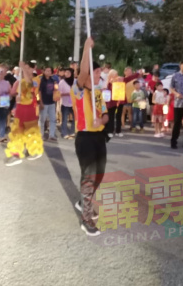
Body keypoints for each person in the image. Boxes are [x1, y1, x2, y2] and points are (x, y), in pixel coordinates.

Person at [72, 38, 109, 236]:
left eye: (99, 73)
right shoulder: (77, 91)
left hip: (98, 138)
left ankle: (82, 201)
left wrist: (101, 122)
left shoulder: (98, 94)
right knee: (89, 176)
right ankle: (86, 220)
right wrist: (86, 49)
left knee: (99, 175)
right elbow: (83, 72)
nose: (98, 75)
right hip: (84, 138)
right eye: (96, 72)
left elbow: (105, 115)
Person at [4, 61, 44, 166]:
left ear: (32, 69)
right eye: (22, 68)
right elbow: (17, 93)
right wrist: (17, 96)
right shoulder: (19, 81)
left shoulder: (36, 79)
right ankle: (16, 154)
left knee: (31, 130)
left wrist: (23, 68)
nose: (24, 70)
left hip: (30, 107)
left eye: (27, 68)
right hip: (20, 108)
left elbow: (30, 84)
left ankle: (34, 151)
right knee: (17, 131)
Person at [39, 66, 58, 142]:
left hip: (52, 102)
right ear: (44, 71)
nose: (48, 72)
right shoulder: (41, 80)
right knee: (42, 119)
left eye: (50, 71)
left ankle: (51, 135)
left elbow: (55, 89)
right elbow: (39, 92)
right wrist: (40, 102)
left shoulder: (53, 80)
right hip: (44, 102)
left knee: (53, 119)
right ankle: (41, 135)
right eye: (47, 71)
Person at [106, 69, 124, 138]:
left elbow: (122, 89)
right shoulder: (108, 83)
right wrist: (110, 84)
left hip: (119, 101)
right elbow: (107, 92)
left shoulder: (119, 81)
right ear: (111, 75)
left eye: (117, 74)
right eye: (115, 75)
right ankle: (110, 131)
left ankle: (118, 131)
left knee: (118, 116)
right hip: (111, 102)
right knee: (111, 117)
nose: (117, 76)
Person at [121, 67, 141, 131]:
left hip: (132, 98)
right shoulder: (123, 79)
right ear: (125, 72)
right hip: (124, 98)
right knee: (123, 112)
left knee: (130, 113)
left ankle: (131, 125)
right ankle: (123, 125)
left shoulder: (134, 79)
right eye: (128, 71)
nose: (130, 73)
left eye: (131, 71)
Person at [59, 68, 75, 139]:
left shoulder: (75, 81)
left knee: (75, 119)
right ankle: (64, 133)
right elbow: (59, 94)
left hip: (74, 104)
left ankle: (72, 132)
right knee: (64, 119)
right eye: (66, 72)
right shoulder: (62, 82)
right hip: (65, 104)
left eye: (68, 73)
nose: (67, 74)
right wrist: (67, 94)